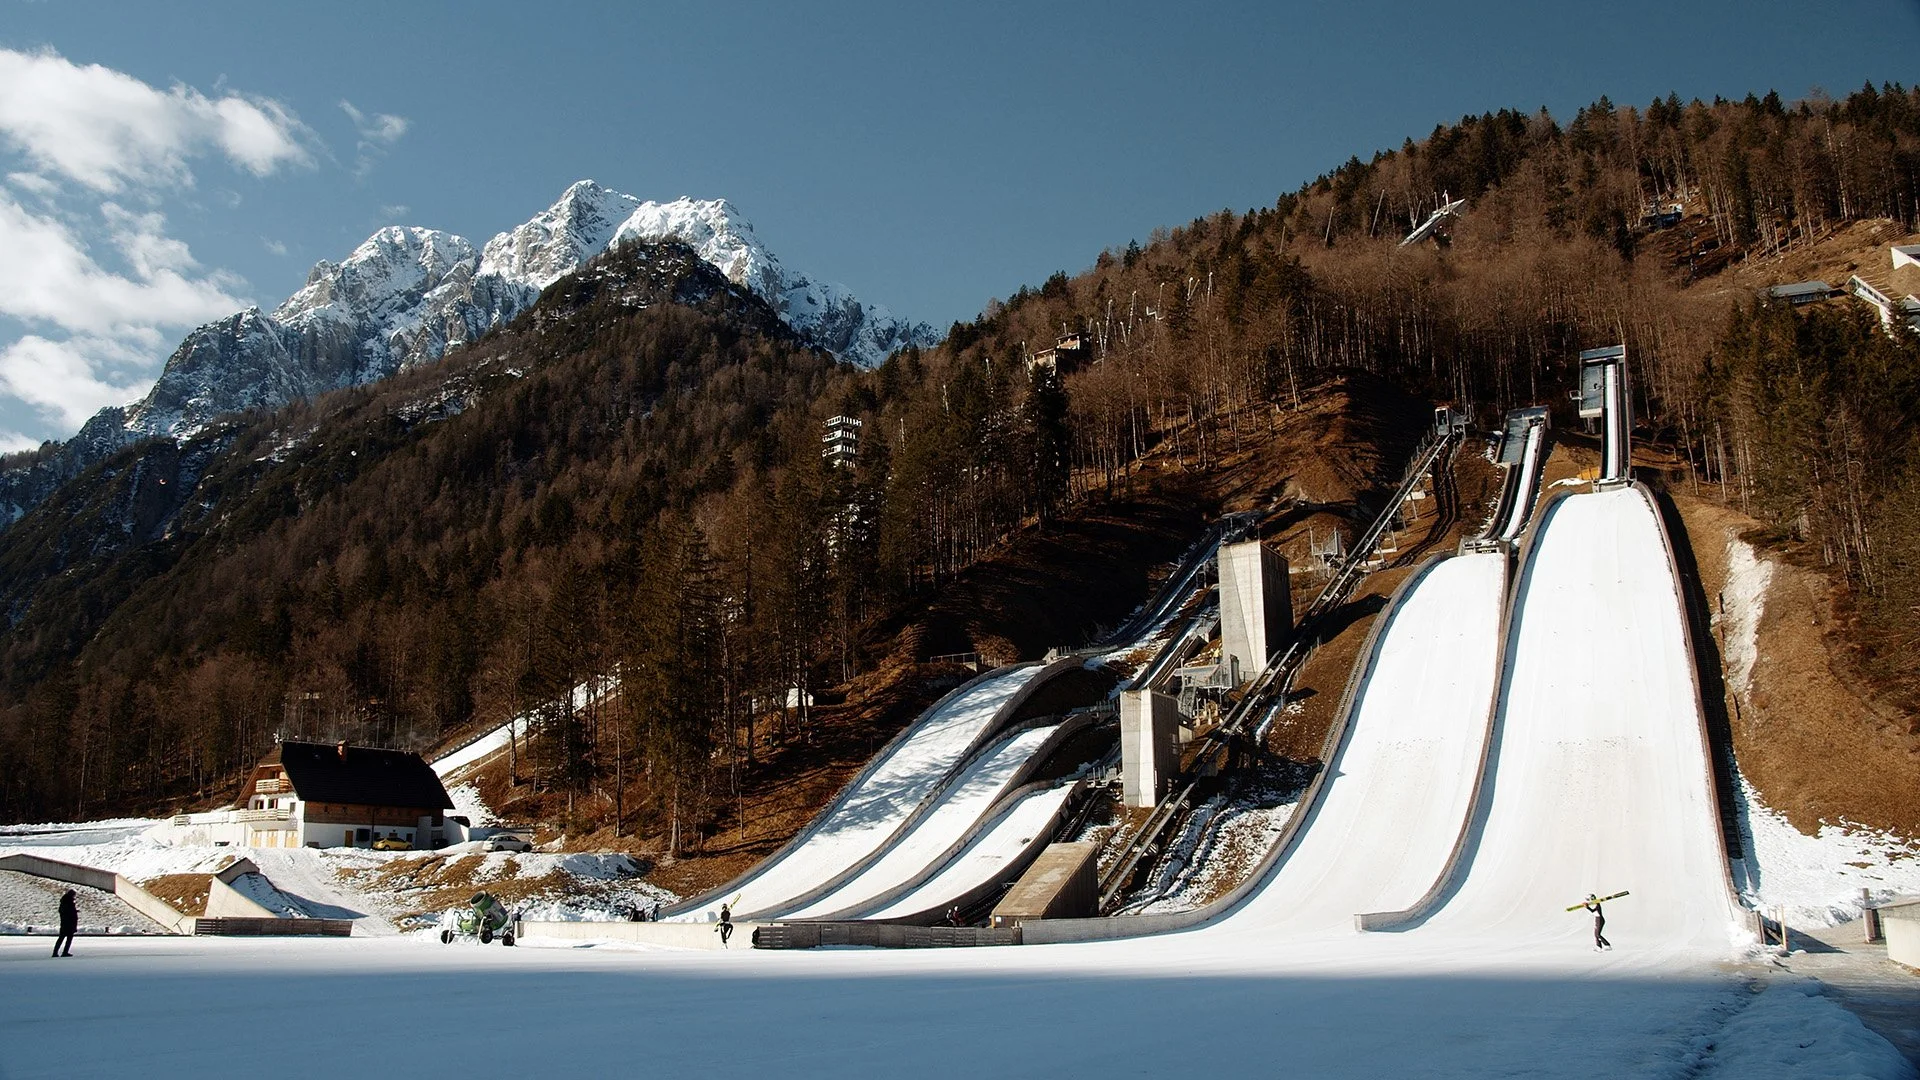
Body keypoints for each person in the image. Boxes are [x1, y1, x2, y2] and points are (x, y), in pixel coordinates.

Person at [53, 889, 78, 958]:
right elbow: (70, 913)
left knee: (61, 938)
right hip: (69, 923)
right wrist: (74, 912)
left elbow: (63, 912)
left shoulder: (64, 903)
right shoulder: (69, 903)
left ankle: (55, 952)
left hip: (64, 923)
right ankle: (65, 952)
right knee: (68, 939)